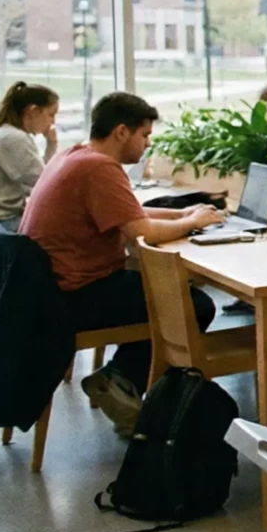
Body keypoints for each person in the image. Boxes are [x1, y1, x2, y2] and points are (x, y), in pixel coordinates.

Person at [19, 92, 226, 432]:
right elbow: (139, 230)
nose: (147, 143)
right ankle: (125, 385)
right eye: (144, 135)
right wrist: (192, 224)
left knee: (165, 294)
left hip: (49, 289)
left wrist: (184, 212)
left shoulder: (76, 155)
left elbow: (128, 212)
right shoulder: (99, 168)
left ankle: (119, 381)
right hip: (74, 296)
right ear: (120, 132)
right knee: (192, 304)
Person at [0, 82, 60, 239]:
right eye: (51, 114)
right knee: (67, 232)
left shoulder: (5, 133)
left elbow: (39, 177)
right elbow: (44, 182)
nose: (53, 122)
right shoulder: (12, 138)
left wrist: (51, 143)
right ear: (33, 111)